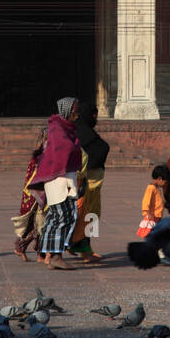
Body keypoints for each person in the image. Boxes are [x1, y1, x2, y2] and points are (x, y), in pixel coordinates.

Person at [28, 97, 84, 271]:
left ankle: (51, 254)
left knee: (57, 217)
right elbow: (65, 149)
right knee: (63, 217)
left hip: (64, 179)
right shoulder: (57, 128)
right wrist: (75, 145)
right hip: (59, 180)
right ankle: (55, 255)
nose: (77, 113)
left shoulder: (65, 128)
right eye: (75, 110)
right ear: (67, 111)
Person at [68, 98, 110, 263]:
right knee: (88, 217)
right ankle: (86, 252)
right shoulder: (81, 134)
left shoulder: (83, 132)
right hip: (86, 185)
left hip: (92, 184)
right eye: (94, 115)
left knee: (89, 217)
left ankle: (82, 248)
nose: (96, 119)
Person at [12, 128, 47, 261]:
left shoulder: (41, 154)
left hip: (39, 193)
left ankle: (32, 251)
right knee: (39, 223)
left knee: (38, 223)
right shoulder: (40, 156)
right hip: (37, 193)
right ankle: (35, 251)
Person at [137, 165, 169, 238]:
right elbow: (145, 201)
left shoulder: (156, 188)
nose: (165, 184)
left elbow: (157, 201)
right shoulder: (151, 188)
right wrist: (148, 213)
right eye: (165, 182)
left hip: (156, 217)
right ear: (160, 179)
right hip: (151, 217)